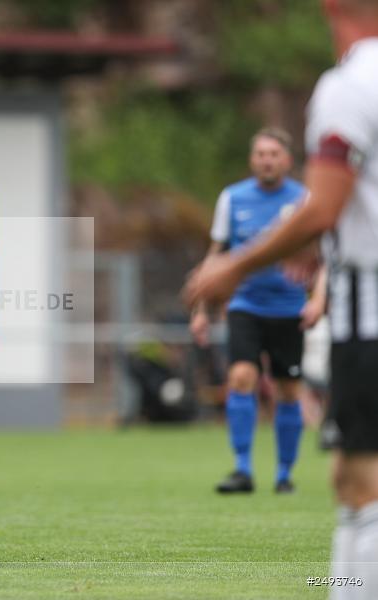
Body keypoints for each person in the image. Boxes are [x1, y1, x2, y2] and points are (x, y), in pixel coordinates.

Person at [184, 0, 378, 594]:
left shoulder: (349, 83)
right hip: (290, 307)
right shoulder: (235, 195)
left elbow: (322, 205)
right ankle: (246, 466)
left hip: (367, 311)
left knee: (359, 478)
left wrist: (229, 268)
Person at [189, 128, 321, 494]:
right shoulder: (233, 199)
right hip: (245, 304)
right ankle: (243, 469)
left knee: (288, 390)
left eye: (274, 154)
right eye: (261, 153)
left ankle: (283, 474)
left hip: (289, 308)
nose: (267, 160)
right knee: (241, 377)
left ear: (287, 160)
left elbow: (323, 257)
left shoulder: (305, 200)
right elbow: (216, 255)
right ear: (252, 160)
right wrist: (202, 308)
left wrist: (317, 298)